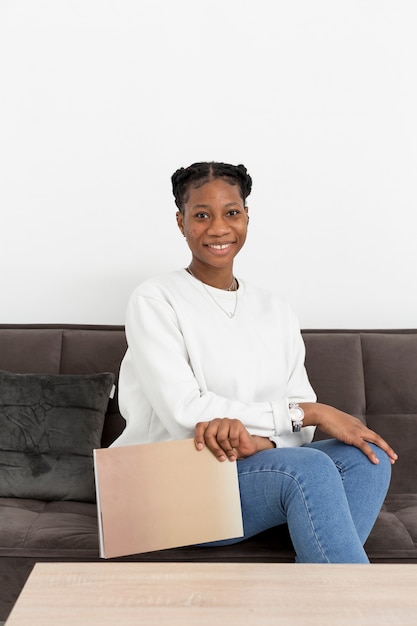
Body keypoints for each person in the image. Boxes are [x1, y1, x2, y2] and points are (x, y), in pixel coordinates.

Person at [114, 161, 397, 563]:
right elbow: (185, 414)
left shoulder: (275, 310)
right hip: (165, 486)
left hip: (251, 472)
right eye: (201, 215)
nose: (218, 228)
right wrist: (310, 412)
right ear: (181, 222)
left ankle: (319, 583)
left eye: (231, 212)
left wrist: (259, 442)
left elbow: (299, 430)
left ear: (247, 216)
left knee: (368, 457)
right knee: (310, 470)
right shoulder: (155, 299)